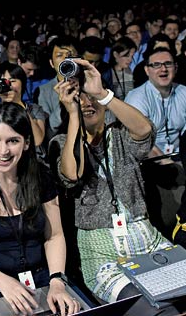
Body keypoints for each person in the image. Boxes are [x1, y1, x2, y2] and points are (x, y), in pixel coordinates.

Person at [48, 58, 179, 314]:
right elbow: (72, 173)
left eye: (91, 98)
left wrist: (102, 94)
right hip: (103, 256)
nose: (87, 102)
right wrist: (73, 113)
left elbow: (145, 130)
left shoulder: (119, 133)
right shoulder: (61, 142)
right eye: (80, 97)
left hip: (147, 242)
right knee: (154, 310)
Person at [0, 102, 81, 316]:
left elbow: (54, 235)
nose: (3, 151)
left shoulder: (41, 177)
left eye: (13, 141)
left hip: (42, 277)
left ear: (27, 143)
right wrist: (4, 282)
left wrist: (57, 280)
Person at [125, 47, 186, 159]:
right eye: (156, 65)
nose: (163, 69)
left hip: (180, 158)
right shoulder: (137, 98)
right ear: (147, 70)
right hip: (147, 160)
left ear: (176, 67)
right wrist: (168, 164)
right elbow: (140, 142)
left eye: (168, 64)